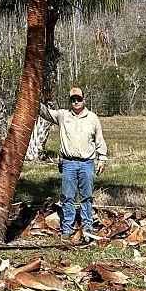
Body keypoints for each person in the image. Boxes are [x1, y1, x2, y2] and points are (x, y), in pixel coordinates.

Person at [39, 86, 107, 241]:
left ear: (84, 99)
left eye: (78, 99)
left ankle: (87, 225)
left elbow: (99, 139)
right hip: (68, 163)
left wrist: (102, 157)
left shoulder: (92, 118)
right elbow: (44, 113)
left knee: (86, 196)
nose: (76, 102)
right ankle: (67, 228)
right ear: (70, 101)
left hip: (86, 163)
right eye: (73, 99)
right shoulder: (63, 116)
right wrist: (33, 96)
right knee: (68, 197)